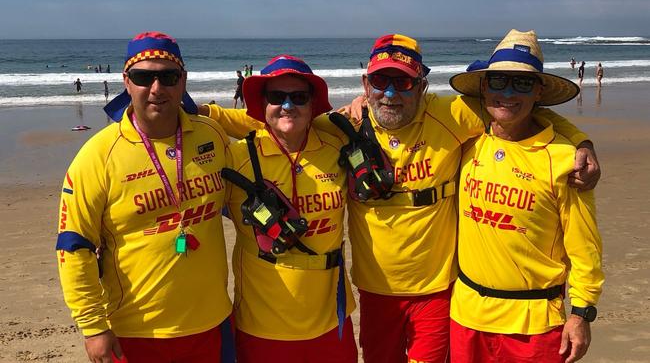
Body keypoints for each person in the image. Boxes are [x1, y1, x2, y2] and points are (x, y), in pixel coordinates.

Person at [200, 34, 601, 363]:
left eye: (404, 82)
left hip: (439, 293)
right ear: (365, 85)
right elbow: (278, 119)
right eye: (380, 82)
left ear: (422, 86)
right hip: (373, 295)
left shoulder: (455, 115)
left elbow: (514, 110)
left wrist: (579, 140)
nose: (391, 92)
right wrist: (205, 113)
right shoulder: (342, 126)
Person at [56, 31, 234, 363]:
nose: (156, 88)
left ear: (183, 81)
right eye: (143, 77)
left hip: (212, 323)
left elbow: (245, 194)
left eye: (168, 76)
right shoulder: (98, 155)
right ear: (126, 81)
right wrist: (94, 327)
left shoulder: (211, 136)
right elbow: (73, 245)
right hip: (134, 332)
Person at [449, 29, 604, 363]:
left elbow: (585, 247)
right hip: (465, 315)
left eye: (521, 83)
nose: (507, 93)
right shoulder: (466, 139)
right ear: (483, 88)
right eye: (498, 81)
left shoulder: (566, 160)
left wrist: (581, 314)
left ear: (539, 91)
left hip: (534, 326)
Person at [205, 55, 358, 362]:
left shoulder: (337, 150)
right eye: (277, 97)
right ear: (263, 104)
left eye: (299, 97)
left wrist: (366, 97)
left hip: (331, 321)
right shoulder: (236, 158)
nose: (288, 106)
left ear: (313, 103)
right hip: (261, 327)